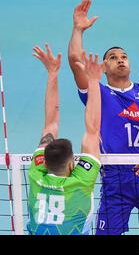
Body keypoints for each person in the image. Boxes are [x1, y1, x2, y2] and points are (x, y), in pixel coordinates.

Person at [68, 0, 139, 235]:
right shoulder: (98, 92)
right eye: (112, 57)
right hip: (114, 177)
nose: (120, 59)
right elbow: (75, 61)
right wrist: (78, 29)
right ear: (103, 67)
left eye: (124, 56)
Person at [27, 44, 103, 235]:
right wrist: (93, 81)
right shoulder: (80, 183)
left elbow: (50, 124)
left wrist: (52, 73)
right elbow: (93, 131)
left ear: (45, 161)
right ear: (71, 165)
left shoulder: (37, 175)